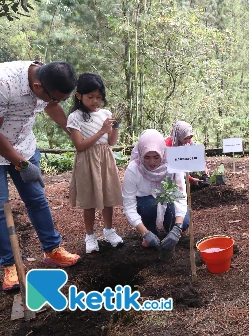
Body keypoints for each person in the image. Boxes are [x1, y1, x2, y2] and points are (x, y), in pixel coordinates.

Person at [0, 61, 81, 291]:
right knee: (0, 208)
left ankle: (52, 249)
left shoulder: (48, 78)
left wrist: (73, 133)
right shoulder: (3, 84)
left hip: (23, 144)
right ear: (37, 86)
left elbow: (52, 106)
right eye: (53, 97)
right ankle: (11, 264)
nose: (55, 103)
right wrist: (22, 165)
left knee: (36, 199)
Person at [67, 73, 123, 254]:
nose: (95, 101)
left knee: (108, 197)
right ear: (79, 96)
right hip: (87, 160)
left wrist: (115, 127)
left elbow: (112, 142)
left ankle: (109, 230)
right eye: (90, 97)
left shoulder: (105, 114)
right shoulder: (75, 117)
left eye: (98, 97)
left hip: (105, 158)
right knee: (89, 200)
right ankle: (90, 236)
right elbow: (80, 145)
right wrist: (102, 130)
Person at [122, 129, 190, 252]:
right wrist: (145, 233)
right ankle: (150, 232)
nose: (152, 162)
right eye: (147, 157)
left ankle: (171, 232)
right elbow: (128, 205)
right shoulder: (134, 169)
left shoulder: (173, 162)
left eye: (156, 157)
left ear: (163, 153)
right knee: (149, 205)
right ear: (141, 153)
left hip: (169, 201)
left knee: (184, 223)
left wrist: (177, 228)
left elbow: (180, 196)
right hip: (145, 205)